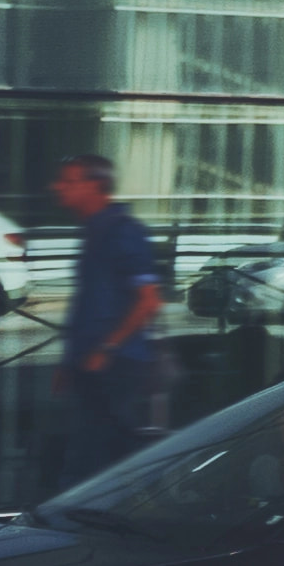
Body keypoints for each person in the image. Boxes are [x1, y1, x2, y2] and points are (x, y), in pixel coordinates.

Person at [38, 153, 169, 490]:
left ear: (95, 185)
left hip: (114, 364)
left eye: (68, 181)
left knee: (92, 454)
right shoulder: (95, 232)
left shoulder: (123, 233)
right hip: (95, 363)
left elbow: (148, 300)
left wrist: (106, 349)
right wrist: (71, 362)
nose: (57, 187)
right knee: (104, 449)